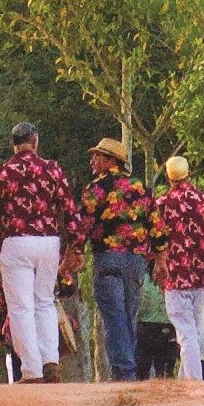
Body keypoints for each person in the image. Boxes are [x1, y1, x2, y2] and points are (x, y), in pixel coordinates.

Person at [0, 121, 78, 381]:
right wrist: (75, 246)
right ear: (35, 141)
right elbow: (69, 208)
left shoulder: (2, 173)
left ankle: (32, 370)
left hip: (16, 243)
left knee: (21, 307)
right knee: (44, 302)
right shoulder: (52, 170)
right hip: (48, 243)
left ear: (14, 144)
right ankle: (51, 361)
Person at [82, 136, 159, 382]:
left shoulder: (96, 188)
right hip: (136, 261)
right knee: (128, 315)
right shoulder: (140, 188)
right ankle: (128, 368)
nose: (92, 161)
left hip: (108, 258)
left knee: (114, 316)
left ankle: (124, 371)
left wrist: (73, 252)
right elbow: (156, 226)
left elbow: (82, 224)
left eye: (97, 156)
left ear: (109, 160)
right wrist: (162, 258)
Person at [150, 155, 204, 390]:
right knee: (192, 329)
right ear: (189, 174)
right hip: (202, 276)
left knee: (185, 332)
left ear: (168, 177)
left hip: (174, 278)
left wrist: (157, 267)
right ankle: (184, 380)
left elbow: (155, 242)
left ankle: (194, 383)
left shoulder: (162, 204)